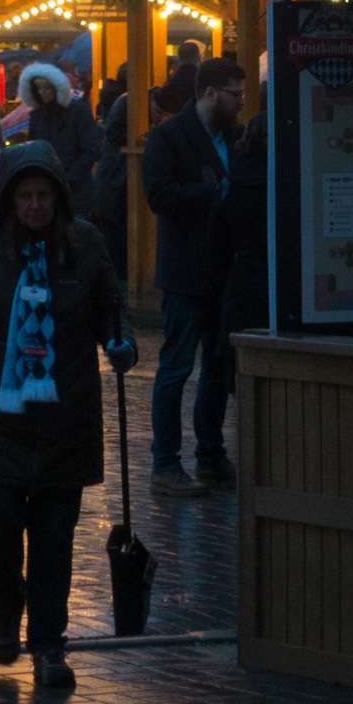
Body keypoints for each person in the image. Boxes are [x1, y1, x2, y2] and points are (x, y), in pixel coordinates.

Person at [0, 142, 135, 690]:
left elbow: (112, 313)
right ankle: (6, 604)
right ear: (8, 198)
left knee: (52, 539)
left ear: (59, 198)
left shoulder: (85, 245)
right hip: (0, 417)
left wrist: (121, 345)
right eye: (25, 196)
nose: (35, 206)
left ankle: (47, 645)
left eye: (44, 195)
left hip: (67, 419)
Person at [142, 54, 246, 496]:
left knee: (218, 370)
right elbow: (158, 194)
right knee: (177, 368)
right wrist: (213, 193)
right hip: (186, 271)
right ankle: (166, 463)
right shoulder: (168, 137)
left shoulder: (237, 137)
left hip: (225, 271)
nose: (241, 103)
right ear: (210, 93)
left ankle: (210, 455)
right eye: (234, 95)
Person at [208, 111, 270, 381]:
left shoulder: (232, 183)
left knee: (240, 378)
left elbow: (217, 244)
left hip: (241, 282)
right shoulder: (291, 179)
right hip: (276, 282)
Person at [18, 63, 101, 215]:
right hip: (46, 188)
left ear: (57, 87)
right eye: (38, 88)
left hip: (75, 190)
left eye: (47, 88)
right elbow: (33, 149)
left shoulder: (78, 111)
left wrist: (69, 178)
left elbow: (91, 149)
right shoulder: (37, 114)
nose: (42, 92)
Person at [90, 86, 128, 284]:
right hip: (114, 197)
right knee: (116, 242)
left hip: (109, 196)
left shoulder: (113, 135)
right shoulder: (122, 142)